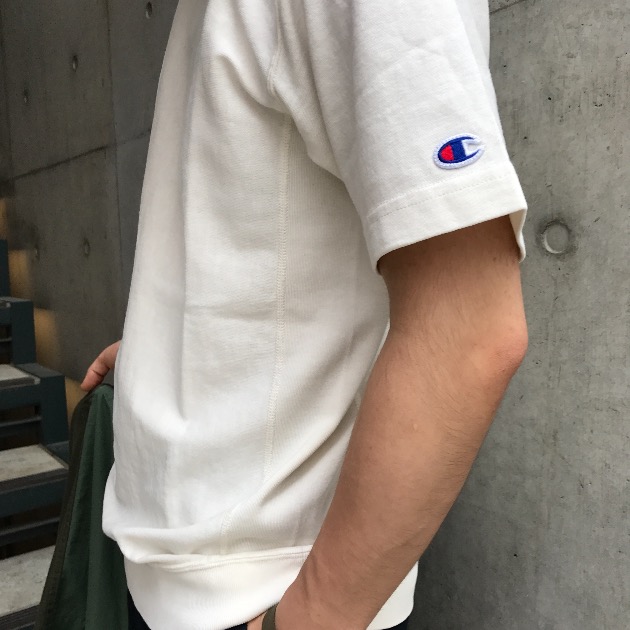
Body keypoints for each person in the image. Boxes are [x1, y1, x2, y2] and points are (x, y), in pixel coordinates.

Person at [81, 1, 528, 628]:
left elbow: (468, 332)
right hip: (182, 570)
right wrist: (162, 350)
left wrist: (305, 618)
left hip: (259, 593)